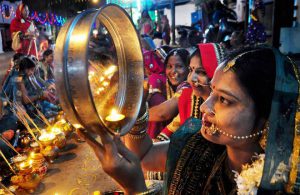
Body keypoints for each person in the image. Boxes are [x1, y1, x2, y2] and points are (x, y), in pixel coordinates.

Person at [78, 46, 300, 194]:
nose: (205, 106)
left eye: (224, 99)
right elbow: (143, 156)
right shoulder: (196, 144)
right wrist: (136, 116)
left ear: (267, 119)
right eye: (212, 91)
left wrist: (135, 188)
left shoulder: (283, 184)